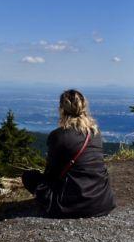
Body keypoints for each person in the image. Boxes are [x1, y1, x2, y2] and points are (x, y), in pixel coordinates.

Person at [22, 89, 116, 218]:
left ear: (62, 109)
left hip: (70, 205)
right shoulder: (95, 133)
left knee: (29, 176)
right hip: (103, 201)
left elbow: (51, 174)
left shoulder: (58, 136)